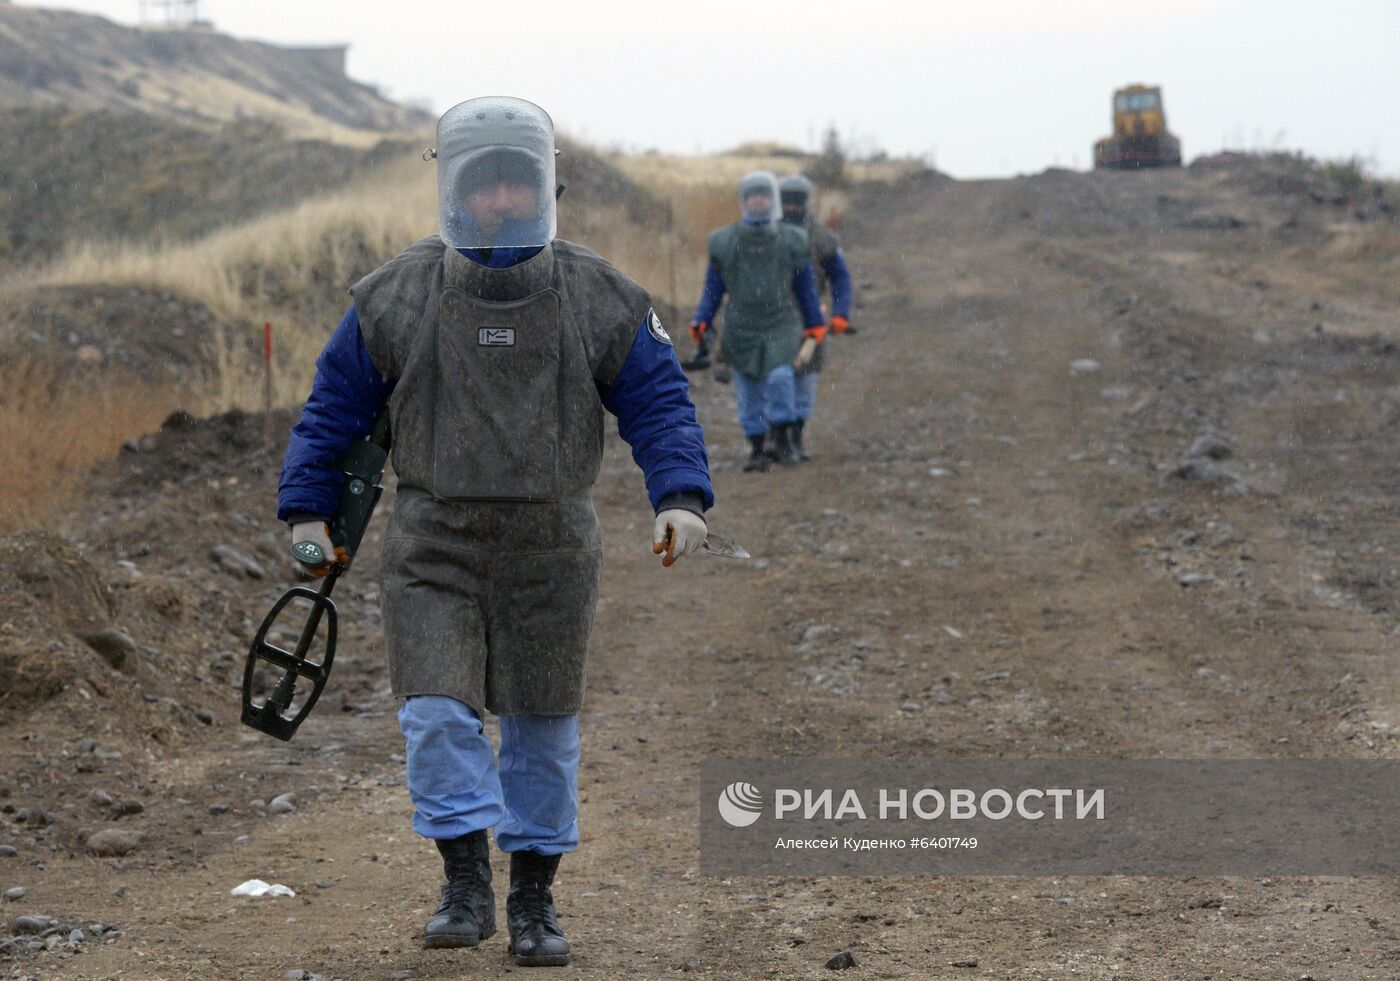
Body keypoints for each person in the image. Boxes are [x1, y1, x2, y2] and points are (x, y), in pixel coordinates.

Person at [276, 96, 713, 968]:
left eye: (519, 185)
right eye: (486, 186)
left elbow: (659, 401)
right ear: (454, 191)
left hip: (553, 547)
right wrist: (306, 508)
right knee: (436, 715)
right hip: (430, 542)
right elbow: (332, 411)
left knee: (543, 728)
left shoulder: (600, 294)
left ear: (548, 188)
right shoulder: (395, 294)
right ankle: (465, 885)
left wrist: (682, 495)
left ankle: (535, 902)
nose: (504, 202)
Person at [689, 170, 825, 471]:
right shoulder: (725, 242)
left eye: (764, 194)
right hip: (741, 325)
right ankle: (756, 448)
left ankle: (784, 437)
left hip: (781, 321)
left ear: (771, 199)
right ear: (744, 201)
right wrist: (702, 321)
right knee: (748, 388)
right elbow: (713, 289)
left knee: (780, 378)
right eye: (753, 195)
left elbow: (805, 289)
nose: (759, 200)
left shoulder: (793, 240)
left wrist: (815, 323)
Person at [778, 174, 853, 461]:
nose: (792, 207)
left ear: (806, 202)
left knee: (805, 379)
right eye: (787, 201)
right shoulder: (763, 235)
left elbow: (841, 279)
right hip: (773, 320)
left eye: (797, 201)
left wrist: (841, 314)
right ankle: (776, 435)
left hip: (812, 319)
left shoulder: (822, 238)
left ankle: (795, 434)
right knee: (775, 378)